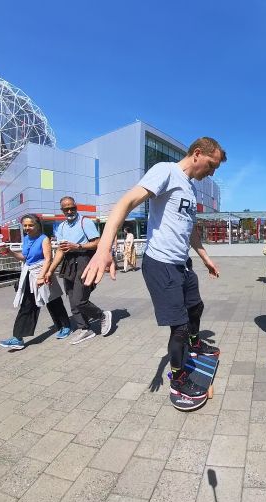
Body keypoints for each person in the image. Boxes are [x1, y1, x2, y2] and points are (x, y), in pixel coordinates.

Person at [81, 137, 225, 400]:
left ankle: (194, 343)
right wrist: (104, 248)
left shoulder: (190, 190)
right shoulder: (166, 172)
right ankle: (178, 380)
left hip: (182, 264)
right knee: (179, 327)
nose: (212, 172)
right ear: (197, 154)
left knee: (196, 307)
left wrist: (205, 258)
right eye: (211, 165)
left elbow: (190, 230)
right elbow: (125, 203)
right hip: (160, 264)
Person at [0, 215, 72, 350]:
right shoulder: (26, 239)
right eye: (25, 225)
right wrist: (9, 252)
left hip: (42, 272)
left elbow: (48, 259)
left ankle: (65, 326)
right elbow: (24, 258)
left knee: (53, 301)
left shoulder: (44, 239)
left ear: (37, 225)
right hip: (29, 273)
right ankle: (17, 338)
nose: (27, 228)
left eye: (30, 225)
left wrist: (41, 276)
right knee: (27, 304)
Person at [45, 197, 112, 345]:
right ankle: (85, 328)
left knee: (80, 299)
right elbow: (61, 251)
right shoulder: (61, 227)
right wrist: (50, 271)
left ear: (76, 207)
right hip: (68, 263)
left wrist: (78, 246)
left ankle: (102, 315)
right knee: (71, 298)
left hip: (83, 260)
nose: (70, 211)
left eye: (72, 208)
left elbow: (97, 242)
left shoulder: (85, 222)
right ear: (62, 210)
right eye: (66, 209)